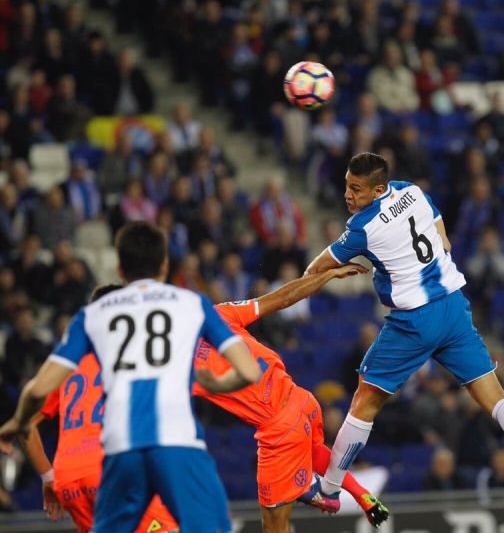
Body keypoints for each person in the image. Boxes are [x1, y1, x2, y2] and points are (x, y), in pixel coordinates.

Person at [305, 152, 504, 522]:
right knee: (495, 396)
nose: (348, 194)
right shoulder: (410, 191)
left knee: (364, 400)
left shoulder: (362, 227)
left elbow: (314, 269)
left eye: (357, 188)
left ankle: (331, 489)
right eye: (347, 185)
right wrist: (424, 248)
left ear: (378, 190)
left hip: (414, 319)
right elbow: (440, 231)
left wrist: (341, 268)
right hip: (454, 308)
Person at [0, 221, 262, 533]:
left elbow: (36, 390)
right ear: (164, 265)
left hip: (119, 451)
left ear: (121, 269)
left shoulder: (92, 316)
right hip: (176, 443)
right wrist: (218, 384)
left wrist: (16, 422)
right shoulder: (192, 304)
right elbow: (249, 370)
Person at [191, 264, 391, 532]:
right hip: (301, 400)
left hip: (279, 428)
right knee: (311, 452)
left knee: (274, 528)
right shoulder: (218, 315)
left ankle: (311, 488)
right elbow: (282, 298)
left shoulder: (179, 365)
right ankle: (353, 493)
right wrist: (325, 276)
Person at [18, 285, 177, 533]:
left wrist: (48, 477)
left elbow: (24, 423)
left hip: (69, 479)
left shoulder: (67, 362)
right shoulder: (135, 355)